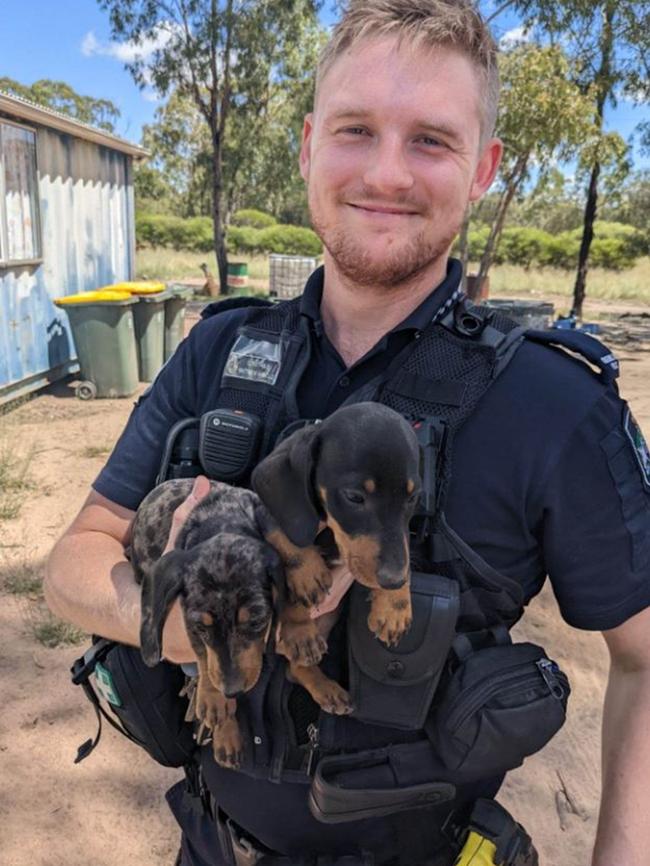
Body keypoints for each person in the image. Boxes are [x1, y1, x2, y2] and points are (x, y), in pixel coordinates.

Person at [44, 2, 650, 865]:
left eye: (432, 141)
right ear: (307, 147)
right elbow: (74, 562)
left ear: (484, 169)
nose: (388, 173)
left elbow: (644, 661)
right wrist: (183, 624)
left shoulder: (554, 403)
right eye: (355, 129)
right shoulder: (219, 350)